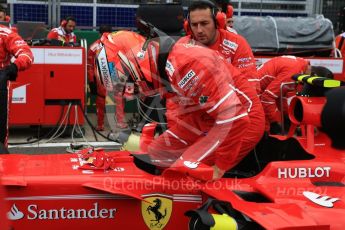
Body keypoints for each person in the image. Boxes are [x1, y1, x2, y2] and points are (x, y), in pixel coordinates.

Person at [96, 30, 253, 180]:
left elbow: (235, 119)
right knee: (151, 155)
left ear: (133, 62)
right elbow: (185, 116)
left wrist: (219, 169)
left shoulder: (183, 65)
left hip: (244, 120)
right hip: (208, 119)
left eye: (127, 83)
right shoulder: (164, 68)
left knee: (178, 173)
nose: (131, 91)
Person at [178, 0, 264, 162]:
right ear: (188, 26)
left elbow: (251, 89)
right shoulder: (182, 47)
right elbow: (176, 97)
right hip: (197, 116)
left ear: (218, 22)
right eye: (194, 25)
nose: (199, 30)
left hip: (232, 115)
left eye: (204, 24)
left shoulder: (237, 44)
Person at [87, 25, 128, 131]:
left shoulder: (94, 46)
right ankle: (119, 123)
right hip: (113, 75)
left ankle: (100, 125)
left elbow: (89, 66)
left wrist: (91, 81)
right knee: (117, 99)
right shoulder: (117, 45)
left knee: (102, 100)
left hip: (102, 76)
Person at [256, 56, 312, 132]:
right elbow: (267, 97)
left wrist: (287, 116)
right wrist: (277, 121)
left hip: (258, 86)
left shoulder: (301, 64)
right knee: (264, 129)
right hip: (255, 90)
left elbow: (280, 95)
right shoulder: (294, 72)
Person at [0, 25, 34, 147]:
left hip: (1, 82)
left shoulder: (5, 33)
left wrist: (14, 67)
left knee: (0, 129)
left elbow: (27, 54)